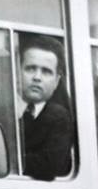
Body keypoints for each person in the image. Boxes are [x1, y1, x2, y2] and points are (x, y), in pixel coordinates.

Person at [18, 36, 72, 180]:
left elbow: (49, 166)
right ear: (17, 71)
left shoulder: (60, 118)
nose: (37, 77)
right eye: (30, 69)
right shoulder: (1, 109)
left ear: (57, 81)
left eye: (46, 72)